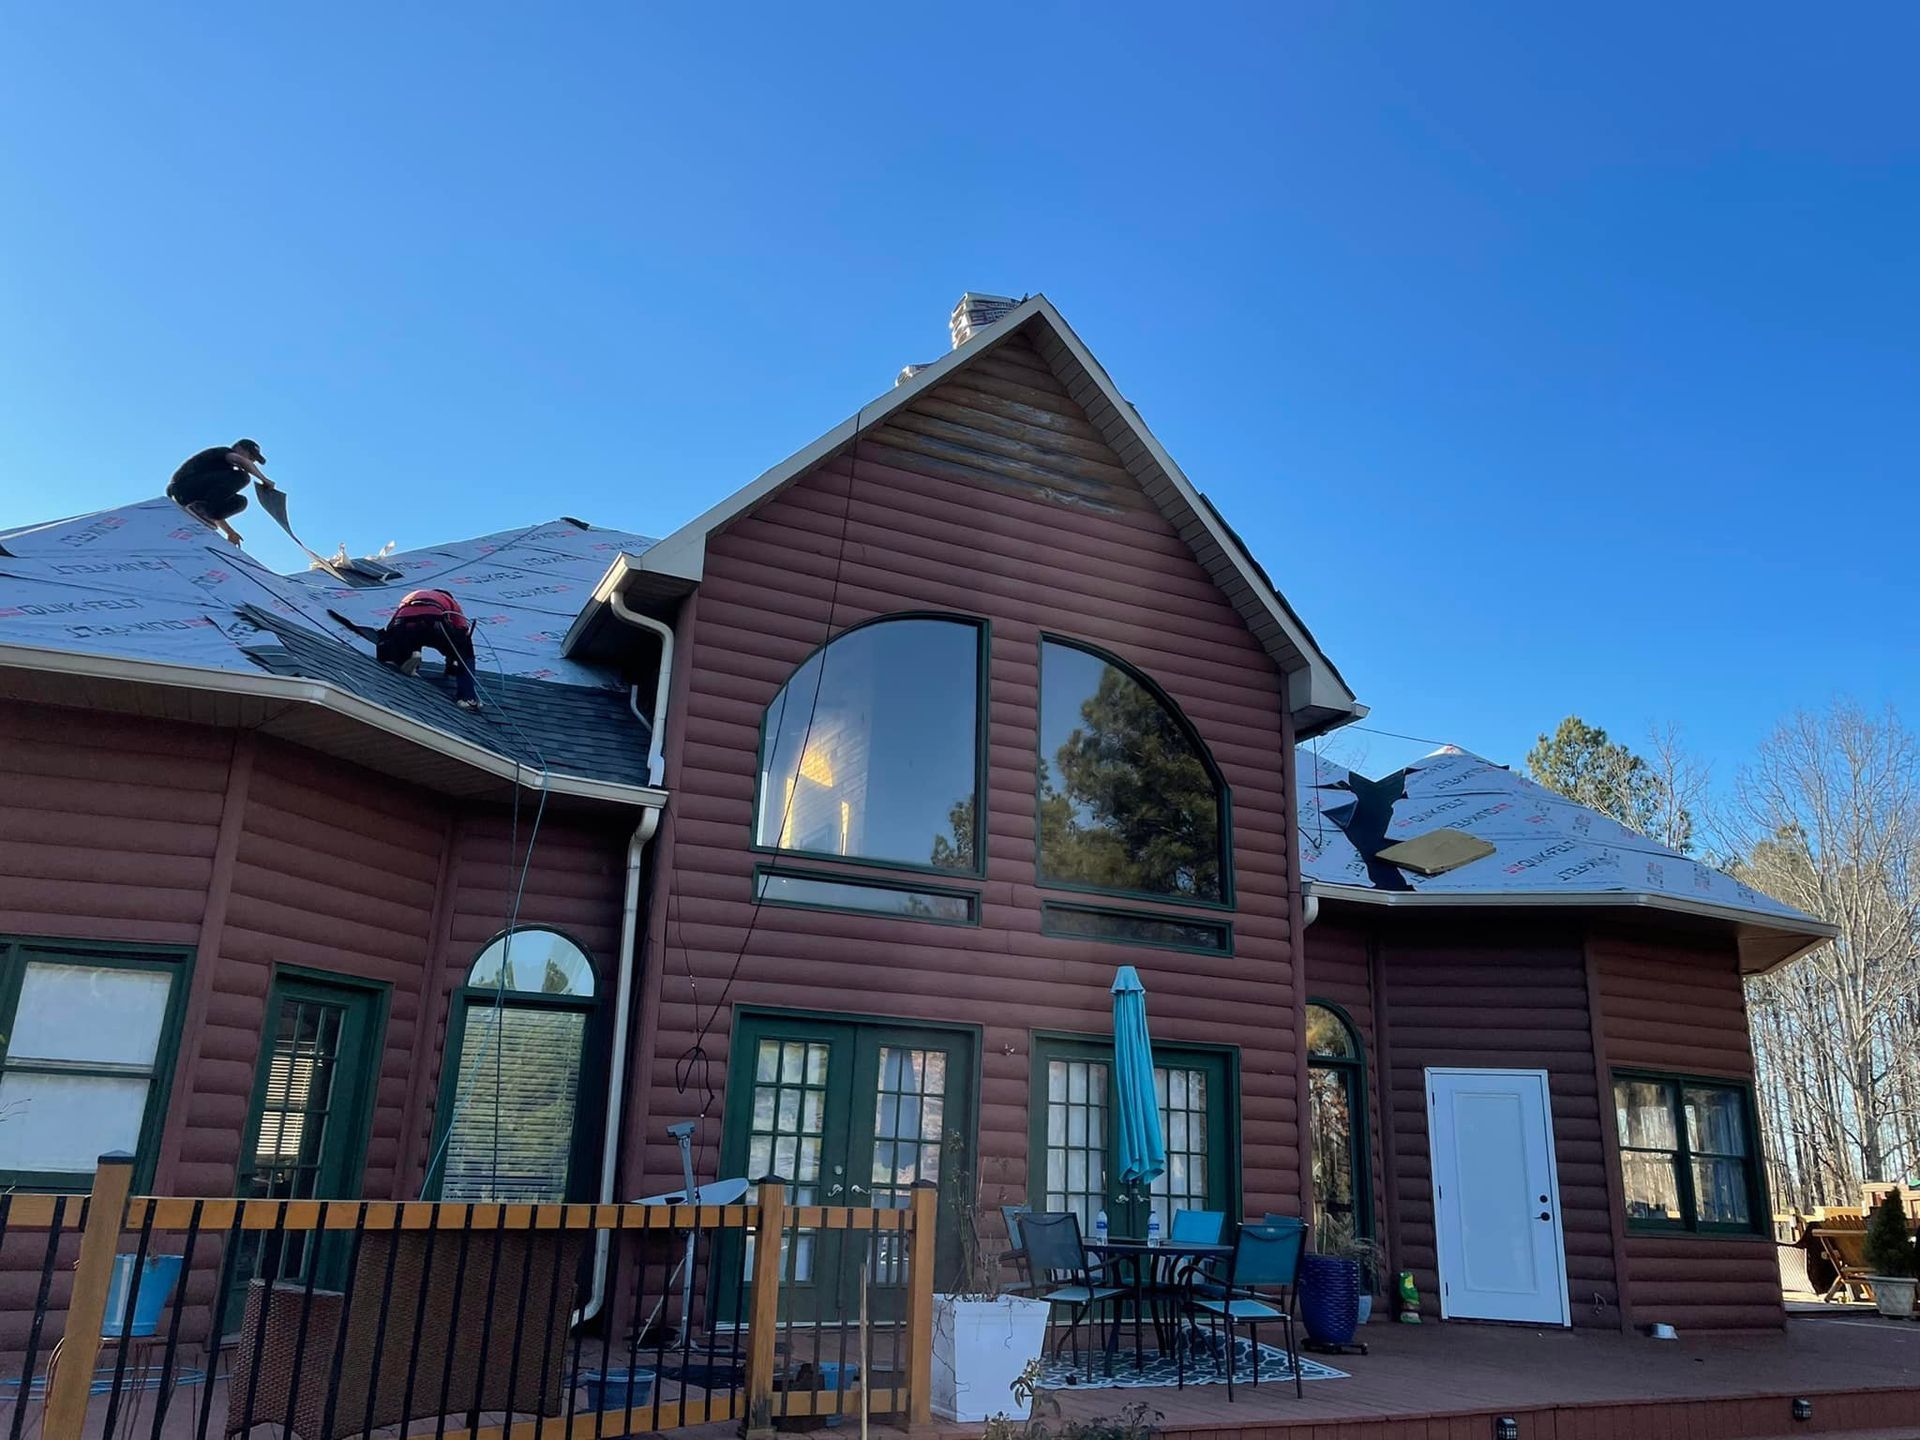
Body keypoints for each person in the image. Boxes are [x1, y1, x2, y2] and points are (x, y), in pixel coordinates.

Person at [376, 588, 482, 710]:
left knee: (404, 635)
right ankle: (467, 698)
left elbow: (392, 627)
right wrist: (453, 659)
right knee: (465, 650)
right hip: (434, 619)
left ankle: (410, 655)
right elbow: (462, 629)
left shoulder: (411, 596)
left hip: (405, 620)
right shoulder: (450, 601)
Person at [167, 439, 277, 544]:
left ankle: (203, 511)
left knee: (240, 501)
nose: (251, 461)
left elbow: (214, 501)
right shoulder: (223, 452)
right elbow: (240, 460)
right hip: (183, 488)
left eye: (254, 459)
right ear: (238, 448)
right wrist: (264, 480)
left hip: (193, 497)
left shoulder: (223, 474)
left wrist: (230, 532)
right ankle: (201, 509)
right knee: (242, 477)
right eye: (250, 456)